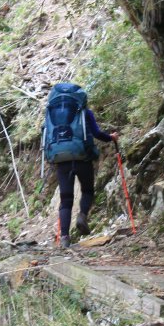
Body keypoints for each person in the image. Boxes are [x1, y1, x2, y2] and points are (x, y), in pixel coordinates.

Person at [43, 82, 118, 248]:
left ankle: (64, 238)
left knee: (66, 199)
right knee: (88, 191)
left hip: (61, 160)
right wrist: (111, 137)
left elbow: (46, 133)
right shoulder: (85, 113)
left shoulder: (51, 114)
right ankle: (82, 215)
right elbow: (97, 133)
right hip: (83, 157)